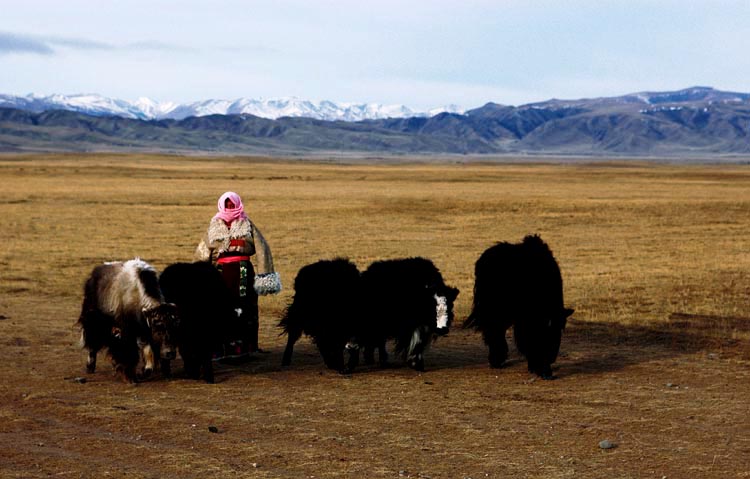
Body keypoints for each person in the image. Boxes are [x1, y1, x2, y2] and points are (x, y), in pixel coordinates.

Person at [195, 191, 281, 359]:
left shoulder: (247, 224)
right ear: (221, 205)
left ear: (238, 204)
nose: (229, 207)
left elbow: (262, 249)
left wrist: (266, 276)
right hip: (220, 276)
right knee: (219, 309)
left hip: (243, 273)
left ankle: (245, 347)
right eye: (226, 204)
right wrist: (197, 278)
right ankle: (219, 347)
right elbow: (202, 253)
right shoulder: (213, 227)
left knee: (245, 307)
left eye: (232, 204)